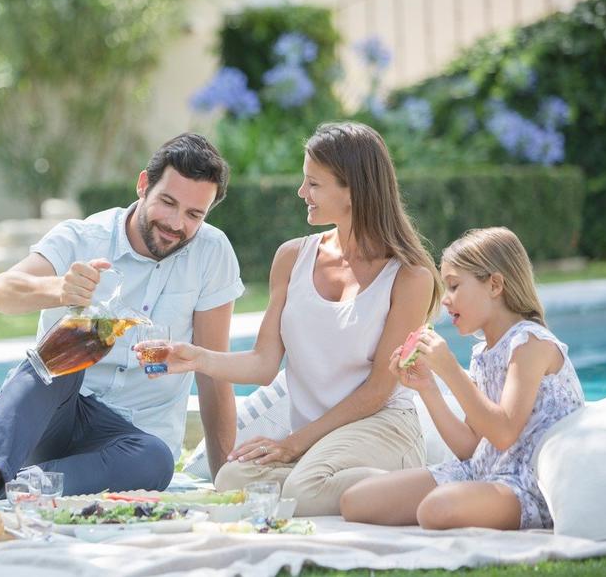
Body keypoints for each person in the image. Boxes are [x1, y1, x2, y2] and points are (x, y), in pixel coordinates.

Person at [151, 122, 440, 515]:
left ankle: (430, 483)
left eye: (314, 184)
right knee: (232, 478)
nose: (302, 193)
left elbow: (377, 391)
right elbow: (264, 363)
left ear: (353, 189)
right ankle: (371, 490)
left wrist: (293, 443)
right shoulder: (292, 257)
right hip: (318, 442)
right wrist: (197, 357)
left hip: (381, 426)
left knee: (302, 488)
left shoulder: (409, 277)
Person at [0, 133, 243, 497]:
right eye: (168, 202)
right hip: (56, 418)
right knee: (57, 362)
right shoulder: (82, 237)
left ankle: (6, 489)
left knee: (156, 461)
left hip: (130, 443)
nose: (176, 223)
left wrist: (226, 484)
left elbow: (213, 374)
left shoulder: (212, 253)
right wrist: (58, 290)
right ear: (143, 185)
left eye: (194, 214)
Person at [340, 227, 584, 530]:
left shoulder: (530, 344)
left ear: (495, 285)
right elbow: (470, 448)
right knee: (356, 501)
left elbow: (504, 432)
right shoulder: (483, 352)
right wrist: (428, 387)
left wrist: (451, 370)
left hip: (526, 485)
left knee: (436, 508)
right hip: (482, 471)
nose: (445, 300)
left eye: (454, 286)